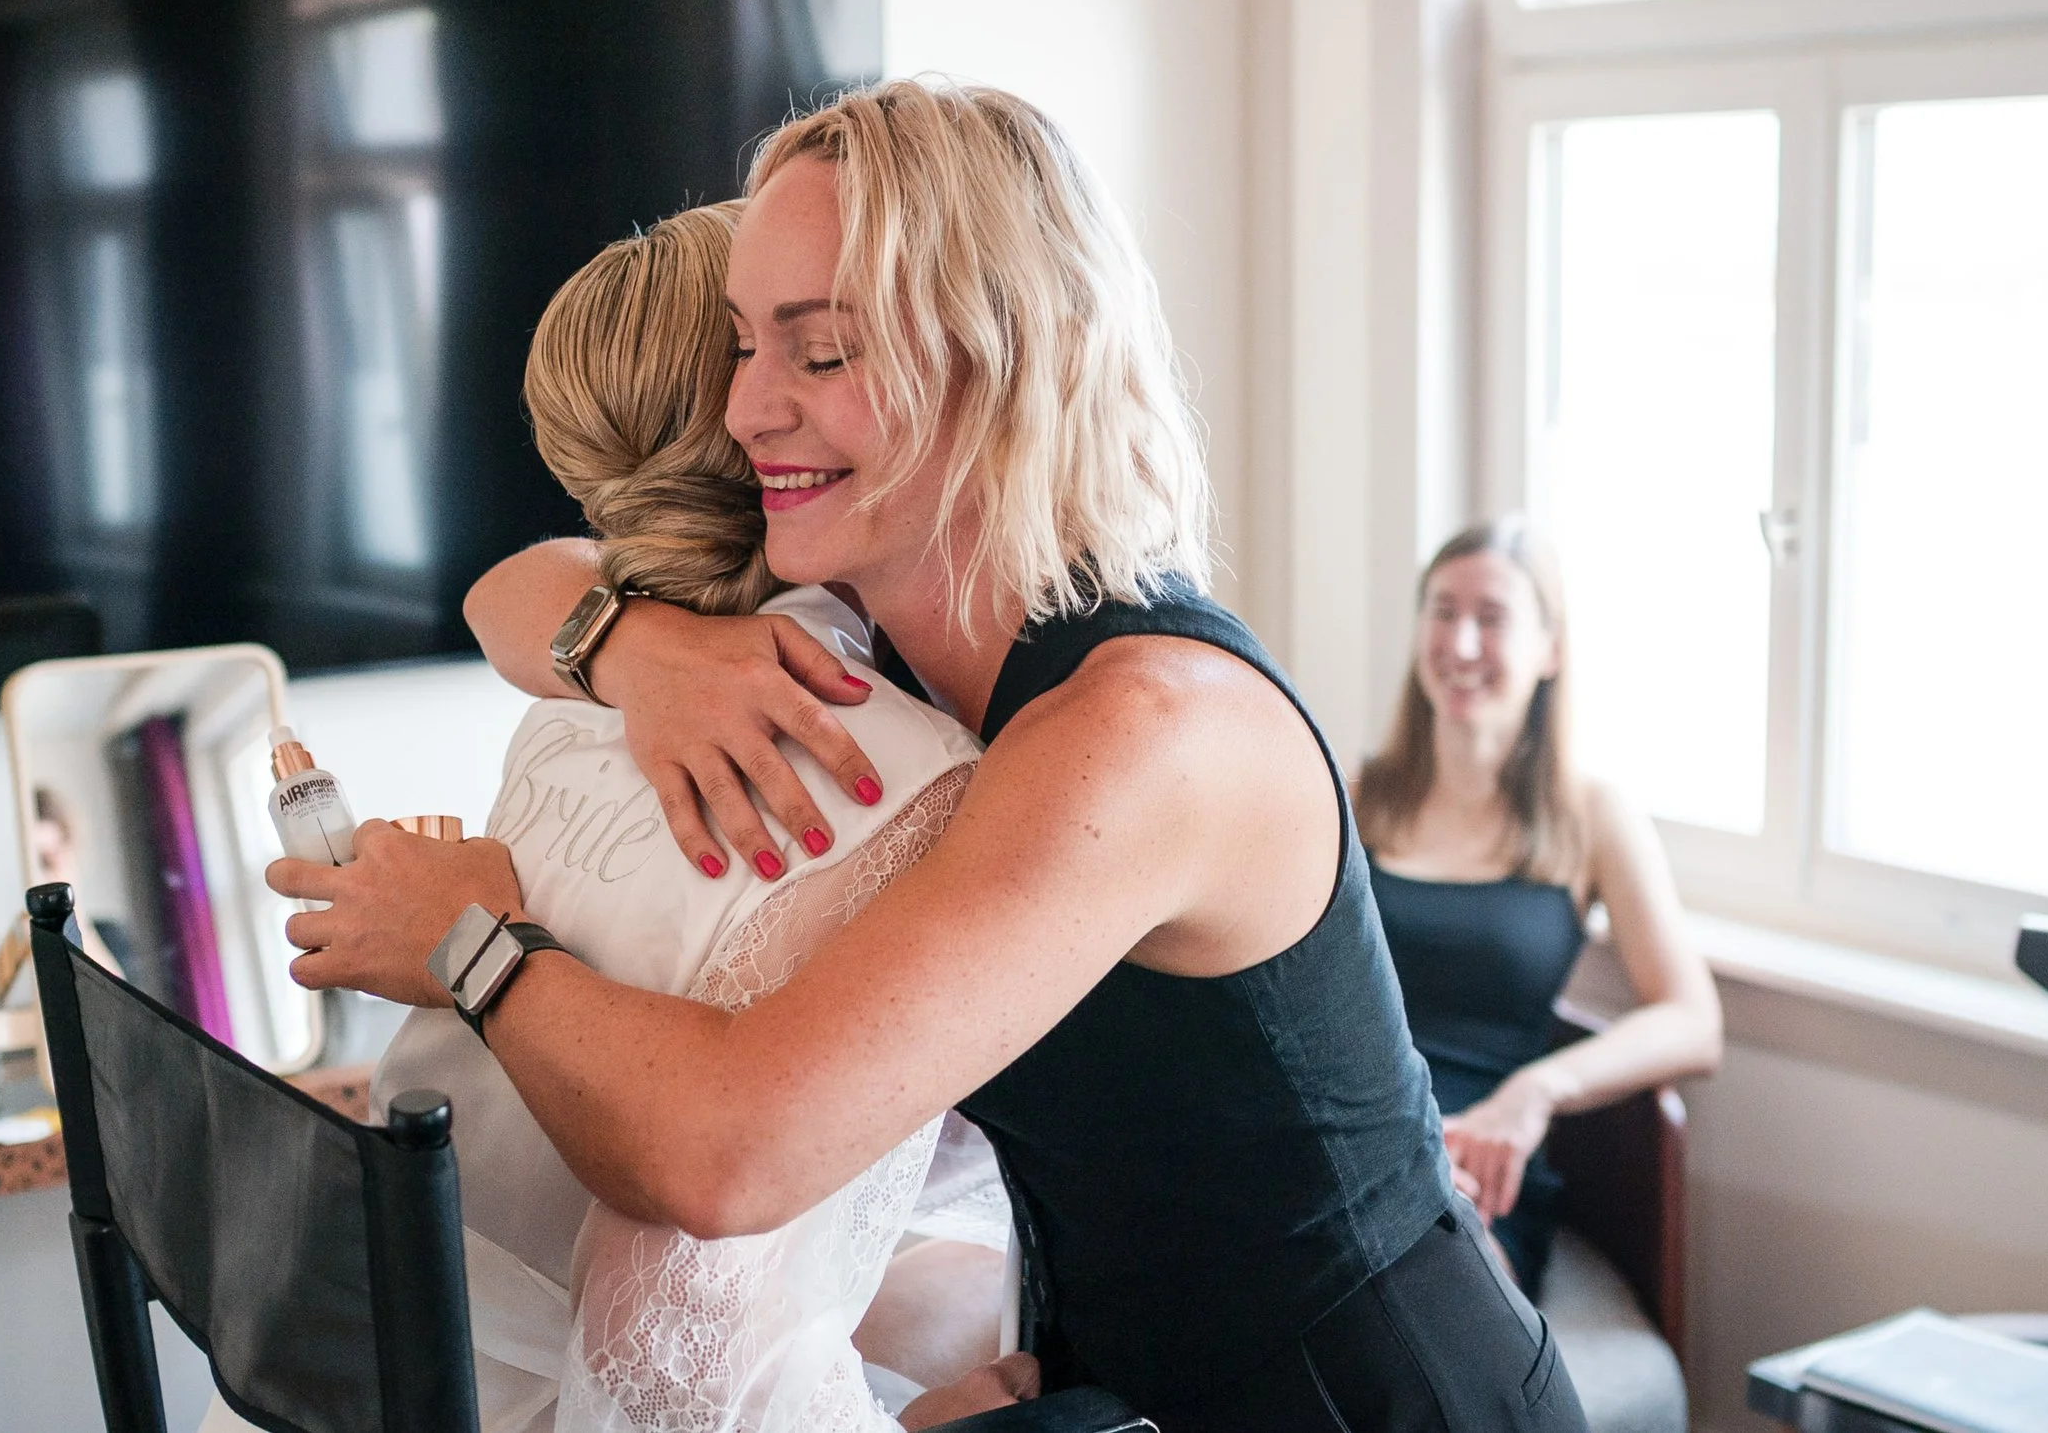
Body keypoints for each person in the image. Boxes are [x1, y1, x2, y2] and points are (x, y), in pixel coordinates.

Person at [271, 79, 1589, 1432]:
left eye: (820, 353)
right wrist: (635, 646)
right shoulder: (875, 633)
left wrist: (468, 940)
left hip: (1383, 1398)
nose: (745, 409)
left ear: (1005, 357)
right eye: (743, 343)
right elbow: (512, 585)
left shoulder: (1146, 731)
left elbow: (724, 1154)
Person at [221, 205, 1017, 1433]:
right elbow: (671, 1348)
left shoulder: (564, 699)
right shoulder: (900, 777)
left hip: (364, 1359)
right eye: (771, 347)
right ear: (754, 422)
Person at [1356, 518, 1721, 1300]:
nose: (1460, 644)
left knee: (1431, 1294)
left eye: (1492, 618)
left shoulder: (1592, 817)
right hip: (1356, 1139)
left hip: (1484, 1169)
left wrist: (1537, 1092)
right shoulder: (1354, 799)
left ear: (1550, 649)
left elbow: (1695, 1021)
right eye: (1443, 611)